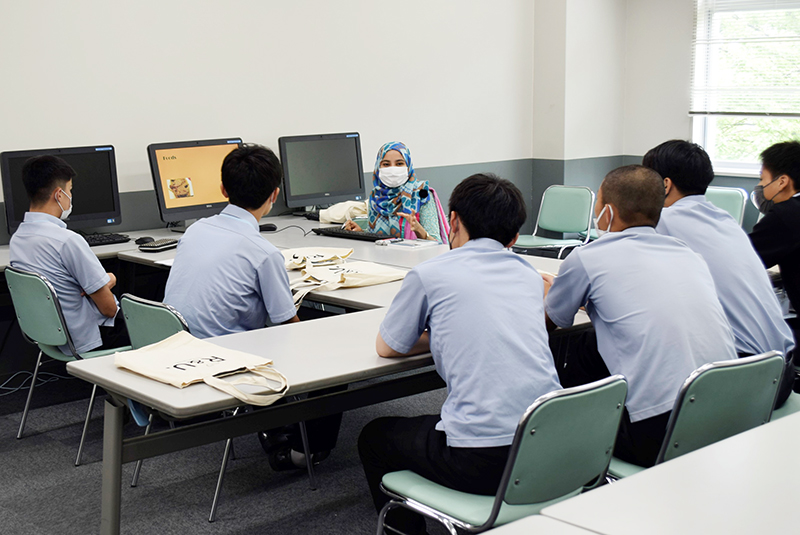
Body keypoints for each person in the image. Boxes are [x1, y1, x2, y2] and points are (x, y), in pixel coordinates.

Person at [358, 173, 561, 534]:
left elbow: (387, 347)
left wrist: (439, 332)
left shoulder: (429, 273)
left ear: (452, 220)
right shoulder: (529, 275)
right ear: (514, 237)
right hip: (548, 447)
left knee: (374, 436)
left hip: (481, 461)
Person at [544, 165, 736, 468]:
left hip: (662, 433)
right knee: (589, 347)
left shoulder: (588, 257)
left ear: (607, 210)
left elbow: (548, 323)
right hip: (732, 412)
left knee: (567, 366)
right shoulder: (688, 254)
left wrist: (548, 293)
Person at [164, 144, 338, 471]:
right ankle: (303, 451)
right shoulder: (263, 252)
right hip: (227, 359)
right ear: (275, 195)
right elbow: (287, 325)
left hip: (180, 347)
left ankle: (274, 426)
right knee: (331, 353)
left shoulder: (195, 230)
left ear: (222, 188)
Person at [643, 140, 795, 407]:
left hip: (741, 380)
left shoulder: (662, 223)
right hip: (781, 371)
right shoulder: (725, 220)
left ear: (664, 185)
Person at [9, 155, 127, 354]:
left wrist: (99, 284)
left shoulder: (19, 238)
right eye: (70, 190)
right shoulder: (67, 241)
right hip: (91, 338)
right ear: (59, 194)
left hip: (52, 334)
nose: (71, 196)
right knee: (160, 326)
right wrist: (106, 281)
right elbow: (109, 310)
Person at [343, 141, 448, 242]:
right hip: (382, 258)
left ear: (408, 167)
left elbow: (436, 243)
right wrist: (361, 232)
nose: (393, 169)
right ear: (378, 167)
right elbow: (379, 239)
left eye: (399, 164)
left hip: (415, 258)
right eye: (386, 164)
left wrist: (418, 229)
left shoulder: (421, 194)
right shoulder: (376, 197)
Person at [749, 141, 800, 347]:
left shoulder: (785, 214)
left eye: (763, 179)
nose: (760, 186)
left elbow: (746, 259)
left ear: (782, 182)